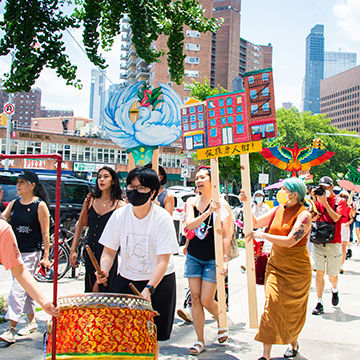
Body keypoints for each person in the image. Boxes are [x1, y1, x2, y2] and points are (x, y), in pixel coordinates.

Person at [96, 167, 178, 348]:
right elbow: (109, 251)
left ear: (153, 192)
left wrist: (149, 289)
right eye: (131, 188)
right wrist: (104, 270)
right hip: (126, 279)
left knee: (150, 337)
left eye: (141, 189)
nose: (134, 192)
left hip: (158, 283)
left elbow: (163, 260)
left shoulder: (162, 218)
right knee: (121, 332)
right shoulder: (119, 215)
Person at [242, 177, 312, 360]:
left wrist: (262, 235)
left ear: (295, 194)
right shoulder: (277, 210)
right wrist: (246, 203)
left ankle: (293, 342)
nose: (281, 192)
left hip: (297, 269)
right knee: (271, 305)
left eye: (284, 189)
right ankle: (266, 355)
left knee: (292, 309)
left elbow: (290, 241)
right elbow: (256, 222)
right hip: (276, 265)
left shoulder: (304, 215)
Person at [184, 166, 232, 355]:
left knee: (206, 299)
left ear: (213, 181)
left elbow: (227, 234)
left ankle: (222, 320)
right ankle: (200, 340)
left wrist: (226, 258)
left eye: (203, 177)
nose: (199, 180)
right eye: (197, 178)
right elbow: (190, 224)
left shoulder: (222, 204)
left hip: (214, 258)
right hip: (194, 256)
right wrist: (207, 212)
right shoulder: (191, 202)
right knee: (194, 298)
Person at [0, 170, 51, 342]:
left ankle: (11, 328)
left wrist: (46, 256)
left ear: (32, 185)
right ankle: (31, 321)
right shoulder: (14, 203)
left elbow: (45, 234)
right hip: (14, 252)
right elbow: (2, 220)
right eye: (18, 182)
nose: (18, 185)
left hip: (30, 253)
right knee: (26, 288)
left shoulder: (39, 205)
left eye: (22, 182)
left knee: (18, 288)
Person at [0, 219, 59, 343]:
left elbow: (20, 272)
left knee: (17, 290)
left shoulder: (3, 230)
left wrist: (44, 303)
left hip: (31, 252)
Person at [70, 166, 124, 292]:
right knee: (90, 289)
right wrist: (73, 249)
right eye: (99, 177)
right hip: (90, 249)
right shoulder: (90, 200)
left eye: (106, 177)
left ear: (113, 181)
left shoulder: (120, 205)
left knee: (104, 289)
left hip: (108, 252)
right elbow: (80, 225)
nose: (101, 180)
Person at [311, 176, 347, 316]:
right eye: (321, 187)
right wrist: (314, 200)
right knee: (319, 273)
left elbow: (336, 218)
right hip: (318, 241)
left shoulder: (340, 201)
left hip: (334, 242)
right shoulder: (317, 201)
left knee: (332, 275)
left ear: (331, 188)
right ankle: (319, 302)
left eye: (325, 188)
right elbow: (313, 216)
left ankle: (334, 289)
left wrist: (325, 203)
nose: (323, 190)